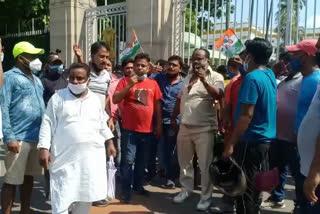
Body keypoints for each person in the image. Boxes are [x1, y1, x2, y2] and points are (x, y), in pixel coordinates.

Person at [37, 63, 116, 214]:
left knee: (85, 195)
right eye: (72, 78)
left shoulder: (94, 100)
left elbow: (102, 123)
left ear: (88, 81)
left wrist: (110, 142)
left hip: (90, 158)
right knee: (61, 194)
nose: (75, 82)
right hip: (64, 157)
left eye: (80, 78)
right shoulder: (58, 97)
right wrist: (43, 148)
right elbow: (47, 123)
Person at [223, 38, 277, 214]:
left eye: (244, 54)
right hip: (264, 139)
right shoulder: (269, 74)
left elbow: (247, 114)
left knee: (244, 188)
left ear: (250, 57)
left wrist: (231, 143)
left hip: (250, 139)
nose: (242, 58)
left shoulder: (252, 78)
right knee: (253, 187)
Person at [171, 48, 224, 211]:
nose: (196, 61)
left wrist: (204, 80)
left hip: (204, 129)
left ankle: (206, 197)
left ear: (207, 60)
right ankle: (185, 190)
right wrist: (174, 118)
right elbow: (181, 99)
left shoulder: (216, 77)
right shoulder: (187, 77)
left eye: (200, 58)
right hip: (185, 127)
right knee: (184, 162)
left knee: (205, 165)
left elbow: (219, 95)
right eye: (194, 58)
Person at [0, 41, 45, 214]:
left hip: (35, 137)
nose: (36, 59)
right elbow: (3, 107)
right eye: (32, 56)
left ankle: (25, 210)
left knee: (28, 177)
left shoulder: (37, 80)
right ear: (21, 58)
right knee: (12, 180)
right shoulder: (10, 77)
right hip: (18, 137)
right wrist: (9, 136)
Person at [113, 53, 162, 203]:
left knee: (142, 161)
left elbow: (158, 105)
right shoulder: (124, 81)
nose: (140, 68)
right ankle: (126, 191)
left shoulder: (153, 84)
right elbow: (115, 99)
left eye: (143, 66)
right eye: (137, 65)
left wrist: (158, 124)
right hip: (129, 130)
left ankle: (138, 186)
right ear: (133, 66)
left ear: (148, 68)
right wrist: (129, 85)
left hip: (147, 130)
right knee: (128, 161)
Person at [261, 53, 302, 212]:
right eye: (284, 61)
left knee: (298, 174)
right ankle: (277, 197)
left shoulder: (303, 80)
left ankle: (300, 204)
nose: (286, 64)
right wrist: (275, 73)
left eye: (289, 61)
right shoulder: (284, 81)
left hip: (294, 138)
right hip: (278, 135)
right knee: (278, 169)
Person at [74, 42, 112, 207]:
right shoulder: (83, 73)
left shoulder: (107, 75)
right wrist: (79, 58)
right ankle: (75, 196)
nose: (104, 60)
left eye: (107, 57)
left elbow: (106, 97)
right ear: (93, 56)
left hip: (99, 125)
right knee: (80, 159)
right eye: (101, 56)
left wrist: (109, 117)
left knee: (97, 160)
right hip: (82, 123)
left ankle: (94, 194)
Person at [150, 55, 184, 188]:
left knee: (172, 151)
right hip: (157, 120)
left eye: (174, 65)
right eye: (169, 64)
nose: (171, 67)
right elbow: (143, 80)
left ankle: (171, 178)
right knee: (157, 150)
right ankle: (154, 174)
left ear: (180, 68)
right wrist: (151, 72)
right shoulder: (159, 78)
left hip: (175, 122)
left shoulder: (184, 83)